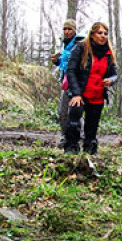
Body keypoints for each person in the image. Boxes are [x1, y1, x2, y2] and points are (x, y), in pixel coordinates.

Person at [65, 22, 118, 154]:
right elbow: (71, 70)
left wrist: (110, 80)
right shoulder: (81, 48)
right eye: (100, 33)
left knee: (92, 127)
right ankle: (71, 149)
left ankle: (90, 152)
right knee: (74, 123)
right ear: (93, 34)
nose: (103, 36)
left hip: (98, 95)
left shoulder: (109, 53)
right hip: (81, 93)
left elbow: (114, 74)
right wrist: (76, 94)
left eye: (106, 34)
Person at [50, 20, 83, 150]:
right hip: (66, 81)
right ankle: (66, 136)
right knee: (63, 111)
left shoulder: (78, 43)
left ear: (74, 30)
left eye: (70, 29)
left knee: (73, 111)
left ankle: (79, 137)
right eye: (65, 29)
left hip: (75, 81)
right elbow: (65, 63)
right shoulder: (66, 44)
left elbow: (76, 62)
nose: (67, 32)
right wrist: (57, 61)